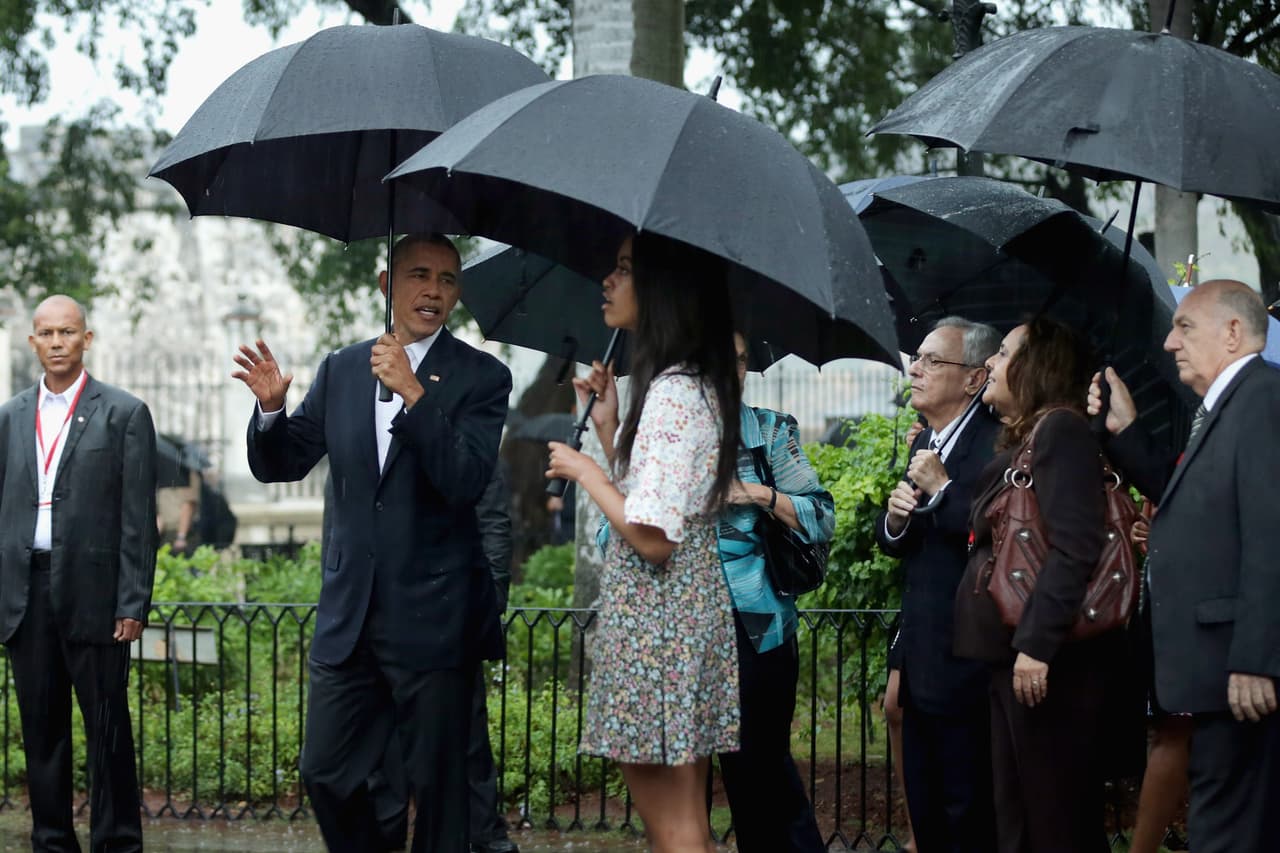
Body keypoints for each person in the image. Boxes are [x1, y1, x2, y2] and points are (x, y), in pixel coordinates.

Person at [234, 232, 511, 853]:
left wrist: (415, 393)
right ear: (388, 285)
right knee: (326, 772)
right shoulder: (342, 368)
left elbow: (465, 480)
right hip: (350, 614)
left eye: (446, 279)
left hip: (435, 619)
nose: (433, 290)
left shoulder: (482, 377)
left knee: (439, 794)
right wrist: (271, 413)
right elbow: (282, 464)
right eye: (418, 275)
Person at [545, 231, 741, 853]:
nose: (609, 279)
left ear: (662, 289)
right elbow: (659, 503)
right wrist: (608, 432)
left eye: (625, 269)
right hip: (684, 616)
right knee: (682, 815)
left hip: (659, 623)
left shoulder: (672, 394)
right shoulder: (692, 385)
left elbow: (654, 539)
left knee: (673, 823)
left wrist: (587, 473)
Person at [1088, 279, 1280, 852]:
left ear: (1233, 332)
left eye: (1185, 327)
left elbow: (1271, 535)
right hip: (1215, 674)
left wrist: (1256, 658)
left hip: (1238, 673)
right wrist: (1121, 430)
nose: (1170, 342)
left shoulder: (1263, 400)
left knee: (1229, 833)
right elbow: (1188, 501)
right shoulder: (1224, 407)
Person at [954, 316, 1117, 853]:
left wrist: (1036, 645)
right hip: (1017, 660)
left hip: (1048, 665)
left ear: (1036, 367)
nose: (991, 365)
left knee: (1054, 823)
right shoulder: (1033, 437)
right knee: (1021, 820)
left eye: (1002, 354)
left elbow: (1075, 546)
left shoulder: (1061, 432)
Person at [0, 295, 157, 853]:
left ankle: (117, 843)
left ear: (86, 339)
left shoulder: (123, 412)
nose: (58, 342)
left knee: (107, 733)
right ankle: (51, 843)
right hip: (26, 594)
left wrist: (132, 602)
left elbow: (139, 517)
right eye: (47, 333)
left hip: (96, 598)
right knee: (42, 736)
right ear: (33, 342)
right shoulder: (11, 415)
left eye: (68, 332)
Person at [875, 317, 1001, 853]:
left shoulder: (997, 441)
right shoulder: (925, 439)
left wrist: (943, 489)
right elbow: (905, 544)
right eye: (917, 357)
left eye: (932, 360)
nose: (916, 368)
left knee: (966, 805)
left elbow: (994, 533)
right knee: (925, 804)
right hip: (923, 649)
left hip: (970, 658)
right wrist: (897, 521)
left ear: (973, 379)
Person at [714, 331, 832, 853]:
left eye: (740, 361)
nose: (732, 371)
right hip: (679, 622)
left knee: (761, 767)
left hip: (757, 626)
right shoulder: (657, 433)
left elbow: (820, 517)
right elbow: (610, 532)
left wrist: (757, 493)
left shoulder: (768, 430)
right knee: (691, 777)